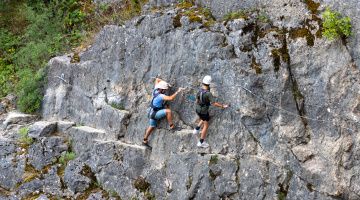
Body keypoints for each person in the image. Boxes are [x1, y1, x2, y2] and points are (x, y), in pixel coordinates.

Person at [143, 78, 184, 148]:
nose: (165, 91)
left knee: (152, 126)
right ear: (162, 89)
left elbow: (157, 79)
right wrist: (178, 92)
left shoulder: (155, 89)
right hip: (155, 113)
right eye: (165, 89)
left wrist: (166, 84)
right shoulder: (160, 96)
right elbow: (170, 98)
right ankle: (172, 126)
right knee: (168, 111)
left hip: (151, 112)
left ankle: (144, 140)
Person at [193, 75, 228, 148]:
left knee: (203, 118)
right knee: (206, 125)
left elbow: (197, 101)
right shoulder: (208, 94)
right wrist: (222, 106)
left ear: (203, 83)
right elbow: (214, 103)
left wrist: (205, 103)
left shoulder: (199, 91)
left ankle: (196, 130)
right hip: (203, 111)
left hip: (198, 109)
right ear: (209, 84)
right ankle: (201, 142)